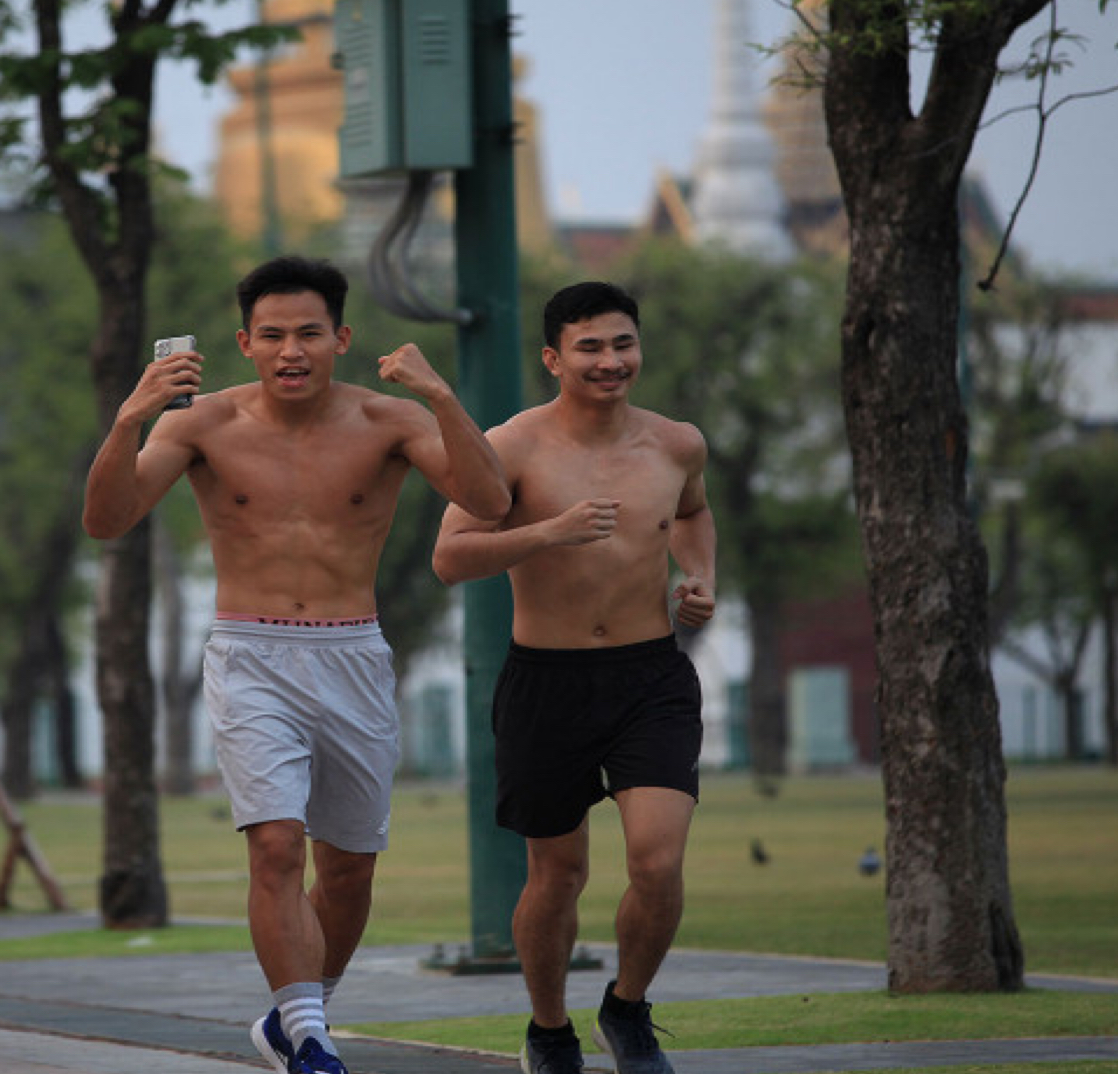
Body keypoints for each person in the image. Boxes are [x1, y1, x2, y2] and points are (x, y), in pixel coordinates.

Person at [83, 256, 510, 1074]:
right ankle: (311, 1039)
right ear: (244, 342)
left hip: (352, 651)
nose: (291, 349)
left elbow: (489, 500)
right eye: (272, 334)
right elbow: (106, 520)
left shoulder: (387, 419)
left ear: (340, 339)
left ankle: (296, 1015)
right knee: (276, 846)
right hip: (250, 653)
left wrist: (442, 396)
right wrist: (128, 419)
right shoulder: (197, 423)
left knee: (346, 873)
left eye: (308, 333)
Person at [431, 280, 715, 1074]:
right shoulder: (511, 446)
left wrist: (699, 575)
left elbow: (691, 513)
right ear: (553, 357)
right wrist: (546, 532)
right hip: (544, 681)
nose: (609, 360)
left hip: (649, 674)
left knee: (657, 862)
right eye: (589, 347)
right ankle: (549, 1030)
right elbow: (449, 558)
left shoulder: (675, 444)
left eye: (622, 343)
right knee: (556, 874)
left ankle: (626, 1009)